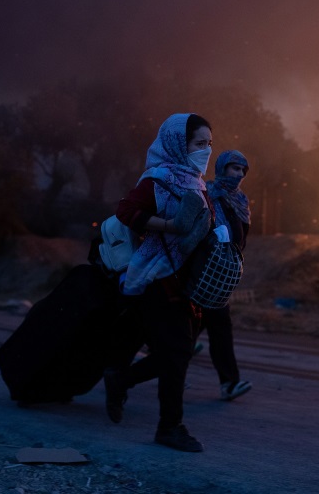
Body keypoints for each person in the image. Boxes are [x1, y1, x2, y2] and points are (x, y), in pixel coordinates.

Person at [103, 113, 213, 453]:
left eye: (209, 143)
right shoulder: (159, 178)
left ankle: (120, 380)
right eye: (199, 143)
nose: (206, 150)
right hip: (157, 275)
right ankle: (170, 426)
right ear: (179, 144)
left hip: (188, 280)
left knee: (175, 353)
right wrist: (170, 226)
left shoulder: (197, 183)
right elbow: (125, 211)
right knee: (177, 352)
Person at [203, 150, 253, 401]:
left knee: (216, 328)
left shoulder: (241, 200)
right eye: (235, 168)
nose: (239, 174)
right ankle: (126, 376)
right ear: (222, 168)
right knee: (215, 328)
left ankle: (229, 383)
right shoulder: (207, 194)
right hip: (203, 270)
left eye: (243, 170)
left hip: (222, 273)